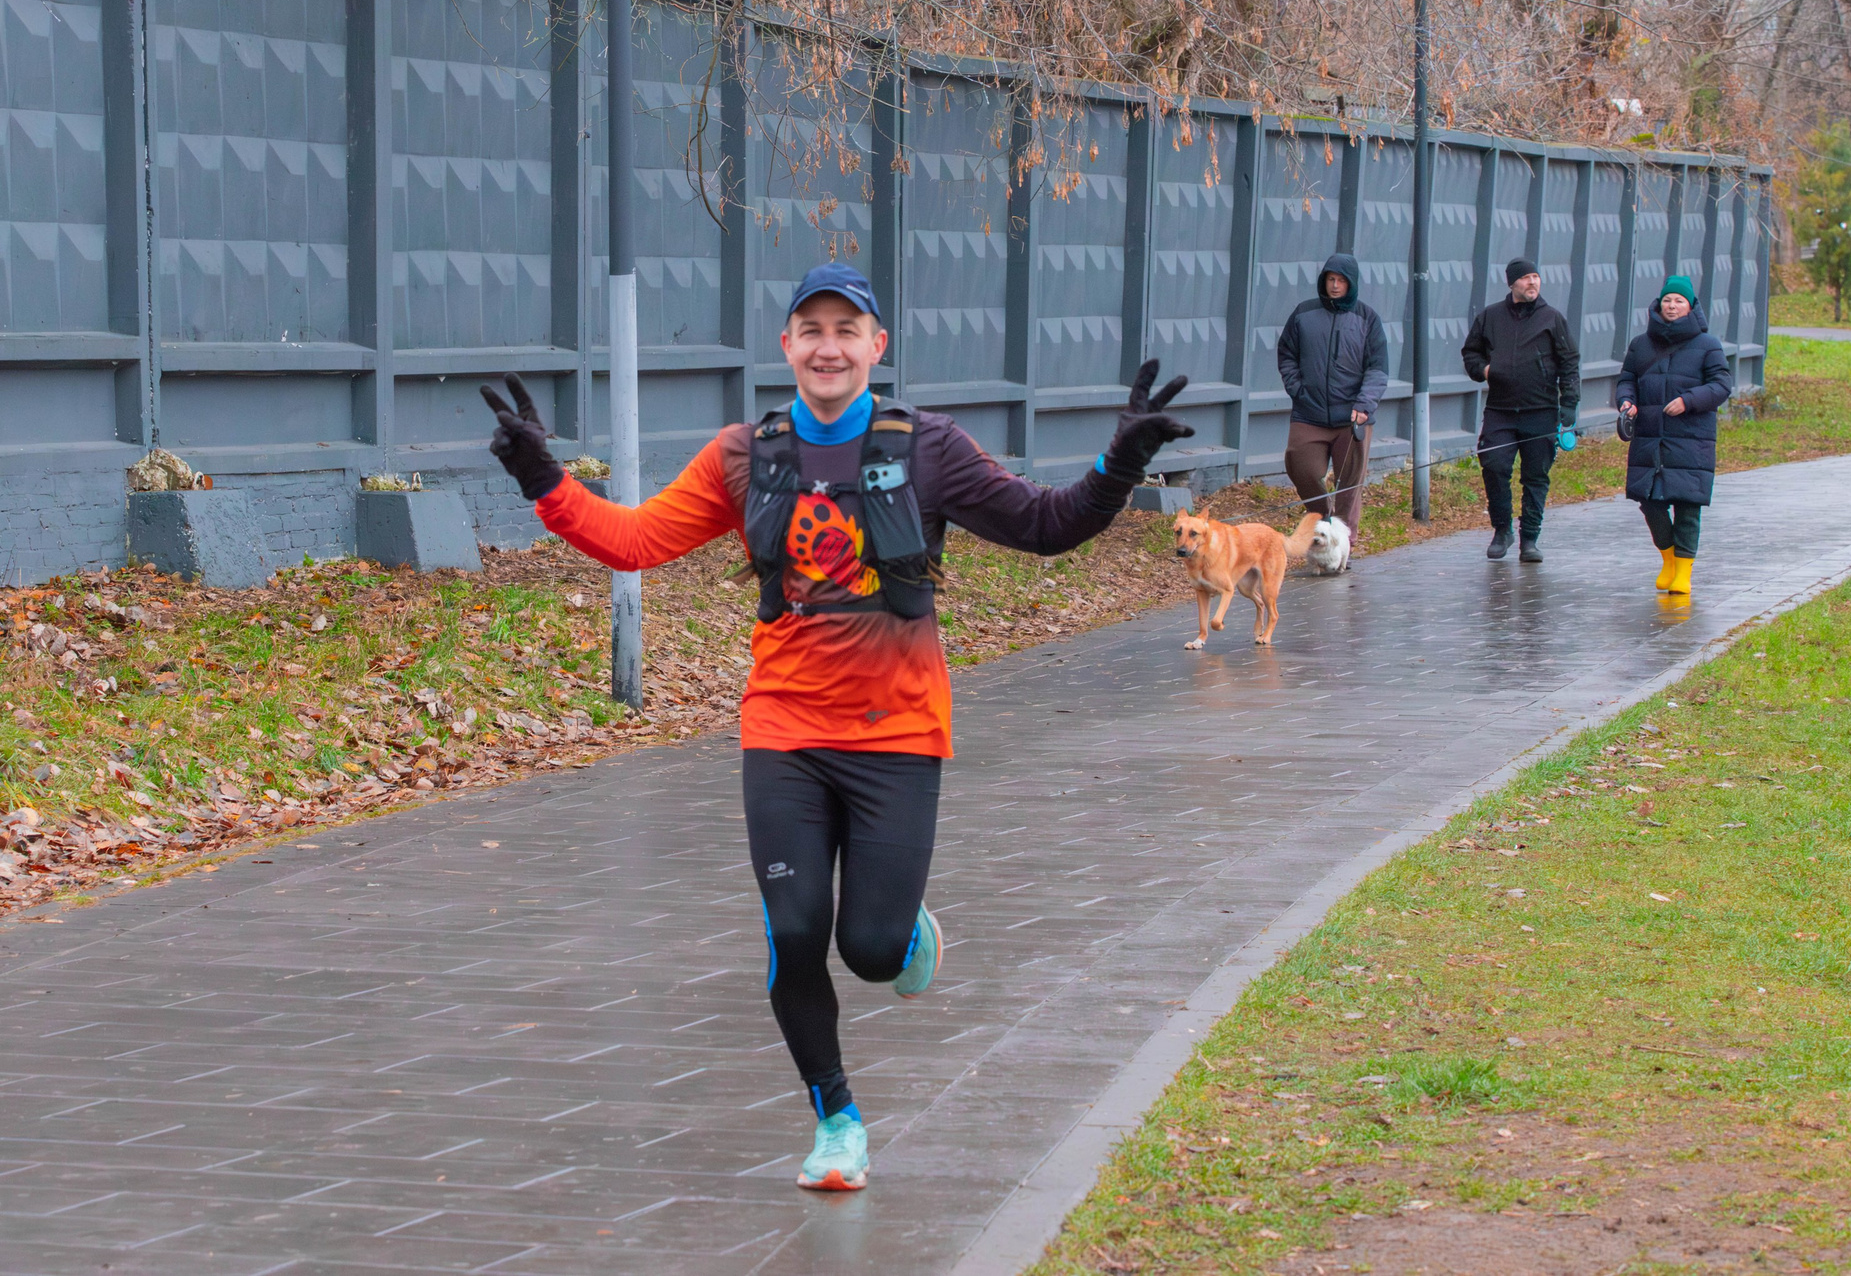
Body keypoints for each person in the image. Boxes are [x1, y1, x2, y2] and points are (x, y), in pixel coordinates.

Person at [478, 262, 1193, 1192]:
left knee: (870, 948)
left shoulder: (928, 448)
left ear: (875, 346)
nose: (828, 345)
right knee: (795, 924)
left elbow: (1045, 524)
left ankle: (903, 936)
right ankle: (837, 1118)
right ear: (786, 346)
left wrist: (1119, 462)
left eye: (846, 329)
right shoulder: (745, 454)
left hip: (898, 732)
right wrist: (543, 475)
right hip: (784, 731)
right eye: (810, 327)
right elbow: (636, 540)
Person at [1615, 274, 1730, 596]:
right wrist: (1627, 401)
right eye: (1668, 300)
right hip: (1650, 435)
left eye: (1679, 300)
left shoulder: (1709, 345)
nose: (1672, 305)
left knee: (1687, 505)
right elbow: (1627, 379)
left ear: (1691, 306)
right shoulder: (1641, 344)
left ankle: (1683, 572)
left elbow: (1722, 385)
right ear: (1659, 304)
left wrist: (1688, 401)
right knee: (1649, 501)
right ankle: (1668, 558)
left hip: (1692, 437)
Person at [1461, 258, 1582, 562]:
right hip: (1500, 409)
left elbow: (1570, 362)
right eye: (1526, 278)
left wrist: (1569, 404)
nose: (1533, 283)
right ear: (1512, 283)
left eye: (1536, 277)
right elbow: (1470, 352)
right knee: (1494, 464)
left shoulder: (1552, 319)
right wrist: (1486, 370)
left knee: (1536, 475)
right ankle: (1502, 529)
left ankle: (1530, 538)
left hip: (1540, 409)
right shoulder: (1490, 317)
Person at [1275, 253, 1389, 553]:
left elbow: (1377, 368)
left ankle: (1343, 542)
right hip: (1308, 412)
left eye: (1341, 281)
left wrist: (1364, 405)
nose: (1335, 286)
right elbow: (1286, 353)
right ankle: (1323, 516)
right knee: (1301, 466)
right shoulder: (1303, 314)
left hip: (1352, 417)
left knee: (1349, 483)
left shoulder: (1367, 319)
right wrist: (1297, 389)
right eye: (1330, 279)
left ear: (1351, 284)